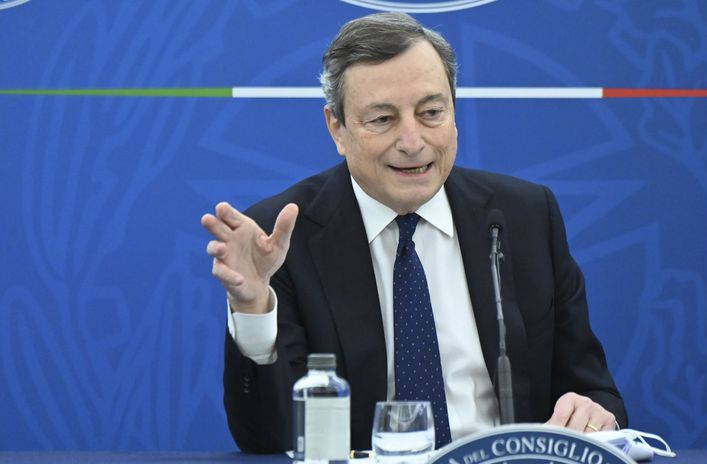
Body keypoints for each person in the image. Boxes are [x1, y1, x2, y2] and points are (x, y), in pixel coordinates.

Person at [201, 12, 626, 453]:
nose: (412, 141)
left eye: (431, 113)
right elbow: (267, 438)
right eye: (382, 119)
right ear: (337, 128)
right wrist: (253, 311)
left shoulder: (525, 217)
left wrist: (594, 413)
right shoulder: (284, 236)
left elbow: (594, 390)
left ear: (454, 114)